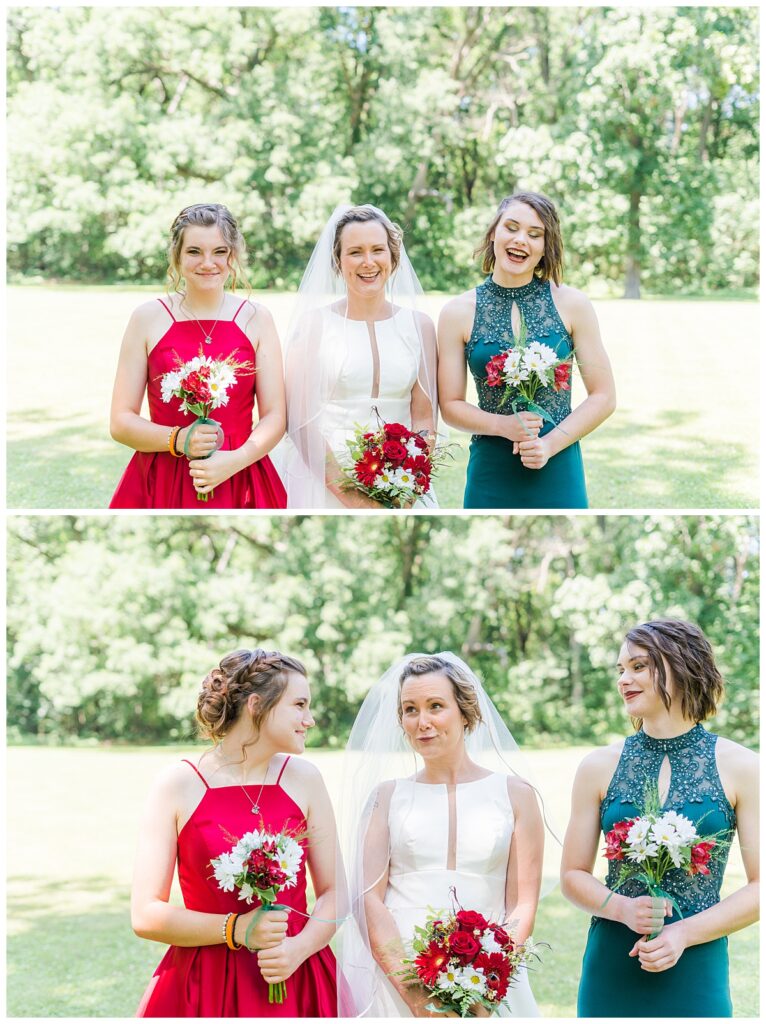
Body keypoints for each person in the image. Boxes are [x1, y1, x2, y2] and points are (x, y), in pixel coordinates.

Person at [560, 620, 759, 1017]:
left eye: (638, 666)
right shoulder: (598, 766)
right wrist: (620, 908)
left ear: (682, 666)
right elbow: (571, 876)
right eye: (620, 669)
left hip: (698, 961)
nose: (624, 680)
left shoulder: (743, 767)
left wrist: (683, 933)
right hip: (613, 962)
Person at [131, 648, 345, 1017]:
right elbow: (146, 914)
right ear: (257, 705)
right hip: (204, 983)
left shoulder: (306, 779)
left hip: (293, 972)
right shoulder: (177, 785)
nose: (309, 719)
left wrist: (298, 948)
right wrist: (237, 929)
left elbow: (336, 891)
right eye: (299, 705)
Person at [337, 653, 549, 1017]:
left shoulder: (517, 795)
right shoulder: (386, 798)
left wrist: (488, 986)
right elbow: (369, 900)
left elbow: (522, 905)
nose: (423, 722)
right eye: (410, 709)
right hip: (402, 976)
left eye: (436, 706)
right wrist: (416, 998)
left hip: (490, 978)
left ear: (466, 712)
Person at [438, 191, 615, 509]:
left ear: (546, 247)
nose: (521, 240)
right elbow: (450, 405)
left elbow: (604, 397)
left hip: (558, 464)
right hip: (490, 470)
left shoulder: (573, 304)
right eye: (512, 227)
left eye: (535, 235)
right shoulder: (457, 312)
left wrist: (549, 444)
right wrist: (501, 426)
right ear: (494, 233)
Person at [110, 203, 286, 508]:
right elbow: (121, 421)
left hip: (239, 471)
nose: (208, 263)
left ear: (233, 255)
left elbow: (275, 415)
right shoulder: (147, 318)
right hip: (163, 475)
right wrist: (178, 439)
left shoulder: (257, 318)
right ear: (177, 255)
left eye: (219, 251)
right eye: (194, 252)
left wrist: (234, 461)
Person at [281, 204, 438, 509]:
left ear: (393, 256)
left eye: (378, 249)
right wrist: (351, 496)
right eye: (355, 252)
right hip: (325, 481)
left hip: (402, 482)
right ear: (338, 261)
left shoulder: (420, 326)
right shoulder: (314, 325)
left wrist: (412, 481)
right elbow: (299, 420)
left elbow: (424, 416)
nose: (368, 262)